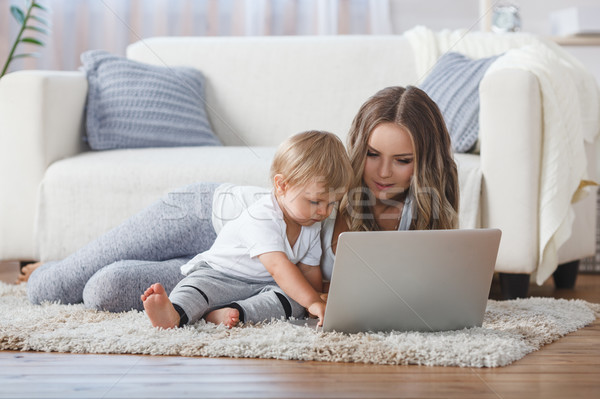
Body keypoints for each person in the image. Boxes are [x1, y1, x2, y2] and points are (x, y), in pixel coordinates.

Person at [23, 86, 459, 325]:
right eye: (372, 155)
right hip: (205, 216)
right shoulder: (336, 187)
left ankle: (86, 266)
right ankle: (54, 267)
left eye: (402, 161)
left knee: (105, 290)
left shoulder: (418, 217)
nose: (383, 172)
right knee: (50, 290)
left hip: (236, 271)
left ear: (426, 163)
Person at [142, 130, 352, 329]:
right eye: (315, 201)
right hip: (220, 276)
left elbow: (308, 268)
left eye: (332, 203)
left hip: (262, 286)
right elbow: (278, 267)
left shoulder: (312, 223)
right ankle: (174, 313)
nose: (324, 211)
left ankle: (234, 313)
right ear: (282, 185)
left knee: (294, 302)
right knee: (197, 290)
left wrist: (312, 300)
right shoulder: (262, 216)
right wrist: (314, 301)